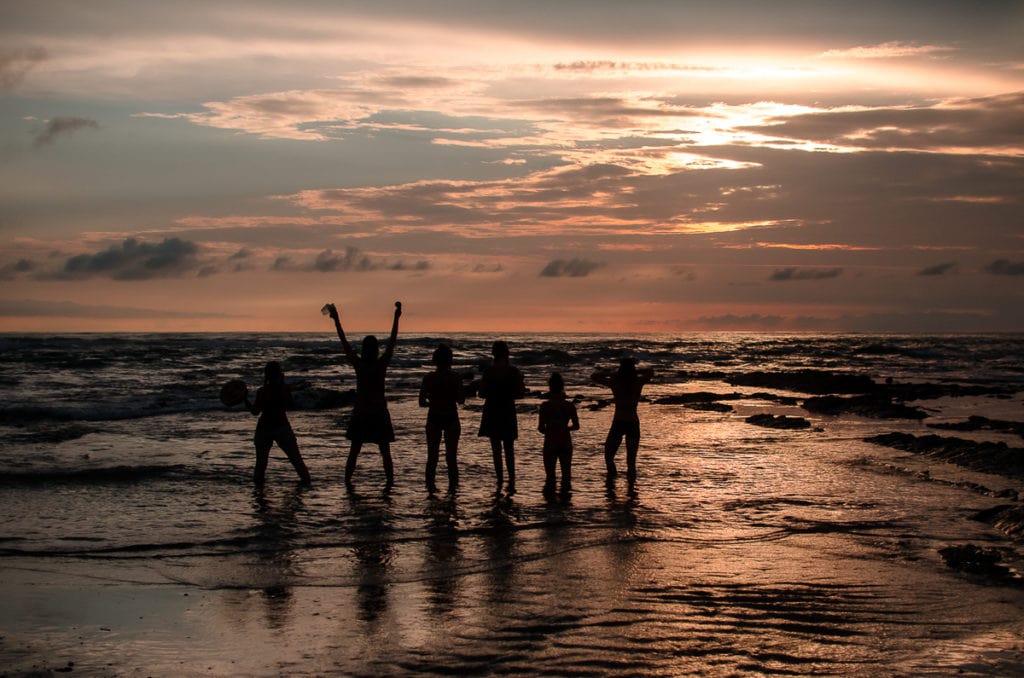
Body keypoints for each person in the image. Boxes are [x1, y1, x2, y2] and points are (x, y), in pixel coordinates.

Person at [327, 301, 402, 489]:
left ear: (363, 349)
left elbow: (344, 343)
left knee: (354, 451)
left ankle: (347, 483)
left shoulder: (359, 365)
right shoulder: (381, 364)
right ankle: (390, 483)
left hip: (361, 412)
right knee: (385, 451)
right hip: (378, 412)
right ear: (376, 349)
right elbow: (392, 341)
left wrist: (337, 321)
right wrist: (396, 318)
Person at [245, 361, 312, 486]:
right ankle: (306, 486)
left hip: (265, 427)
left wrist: (245, 400)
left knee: (261, 464)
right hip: (281, 426)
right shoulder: (282, 389)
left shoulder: (263, 391)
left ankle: (259, 493)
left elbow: (255, 411)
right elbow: (290, 404)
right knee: (296, 460)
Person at [591, 358, 654, 483]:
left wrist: (611, 373)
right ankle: (631, 492)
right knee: (631, 462)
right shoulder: (638, 381)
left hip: (619, 422)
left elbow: (594, 376)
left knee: (609, 457)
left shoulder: (616, 382)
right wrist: (638, 370)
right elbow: (651, 372)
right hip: (632, 422)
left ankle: (611, 484)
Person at [478, 340, 526, 495]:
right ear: (507, 353)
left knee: (496, 449)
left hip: (492, 409)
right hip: (507, 409)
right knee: (509, 448)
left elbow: (482, 393)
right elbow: (520, 393)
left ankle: (500, 479)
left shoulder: (489, 372)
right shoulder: (513, 371)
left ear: (493, 354)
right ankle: (511, 479)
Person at [419, 343, 464, 493]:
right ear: (450, 360)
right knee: (451, 458)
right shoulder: (455, 377)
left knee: (432, 457)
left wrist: (433, 401)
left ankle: (430, 489)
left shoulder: (429, 378)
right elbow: (461, 400)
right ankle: (453, 490)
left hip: (434, 416)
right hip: (451, 416)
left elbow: (421, 401)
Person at [537, 372, 579, 497]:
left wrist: (550, 430)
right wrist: (565, 429)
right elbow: (576, 426)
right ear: (562, 387)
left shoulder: (545, 406)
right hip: (565, 439)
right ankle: (565, 506)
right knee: (566, 476)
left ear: (550, 387)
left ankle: (551, 508)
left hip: (550, 440)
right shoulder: (569, 405)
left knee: (550, 477)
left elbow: (540, 428)